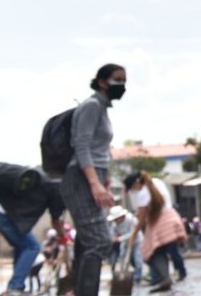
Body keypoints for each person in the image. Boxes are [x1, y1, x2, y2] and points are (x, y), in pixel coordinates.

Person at [59, 63, 124, 296]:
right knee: (100, 241)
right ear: (102, 82)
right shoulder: (91, 106)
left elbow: (100, 151)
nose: (122, 85)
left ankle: (77, 290)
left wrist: (104, 181)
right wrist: (94, 183)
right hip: (80, 178)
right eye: (117, 79)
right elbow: (82, 146)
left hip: (93, 176)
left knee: (88, 240)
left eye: (124, 80)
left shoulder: (102, 109)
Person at [0, 162, 67, 295]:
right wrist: (62, 236)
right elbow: (56, 220)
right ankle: (15, 287)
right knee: (32, 247)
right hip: (3, 212)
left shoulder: (42, 174)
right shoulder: (58, 187)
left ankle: (16, 287)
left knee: (21, 246)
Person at [123, 172, 187, 292]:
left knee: (149, 252)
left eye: (132, 188)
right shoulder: (158, 182)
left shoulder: (142, 194)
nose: (133, 191)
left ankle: (165, 277)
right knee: (171, 251)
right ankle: (179, 273)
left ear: (136, 183)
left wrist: (133, 234)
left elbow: (141, 220)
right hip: (172, 218)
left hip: (158, 223)